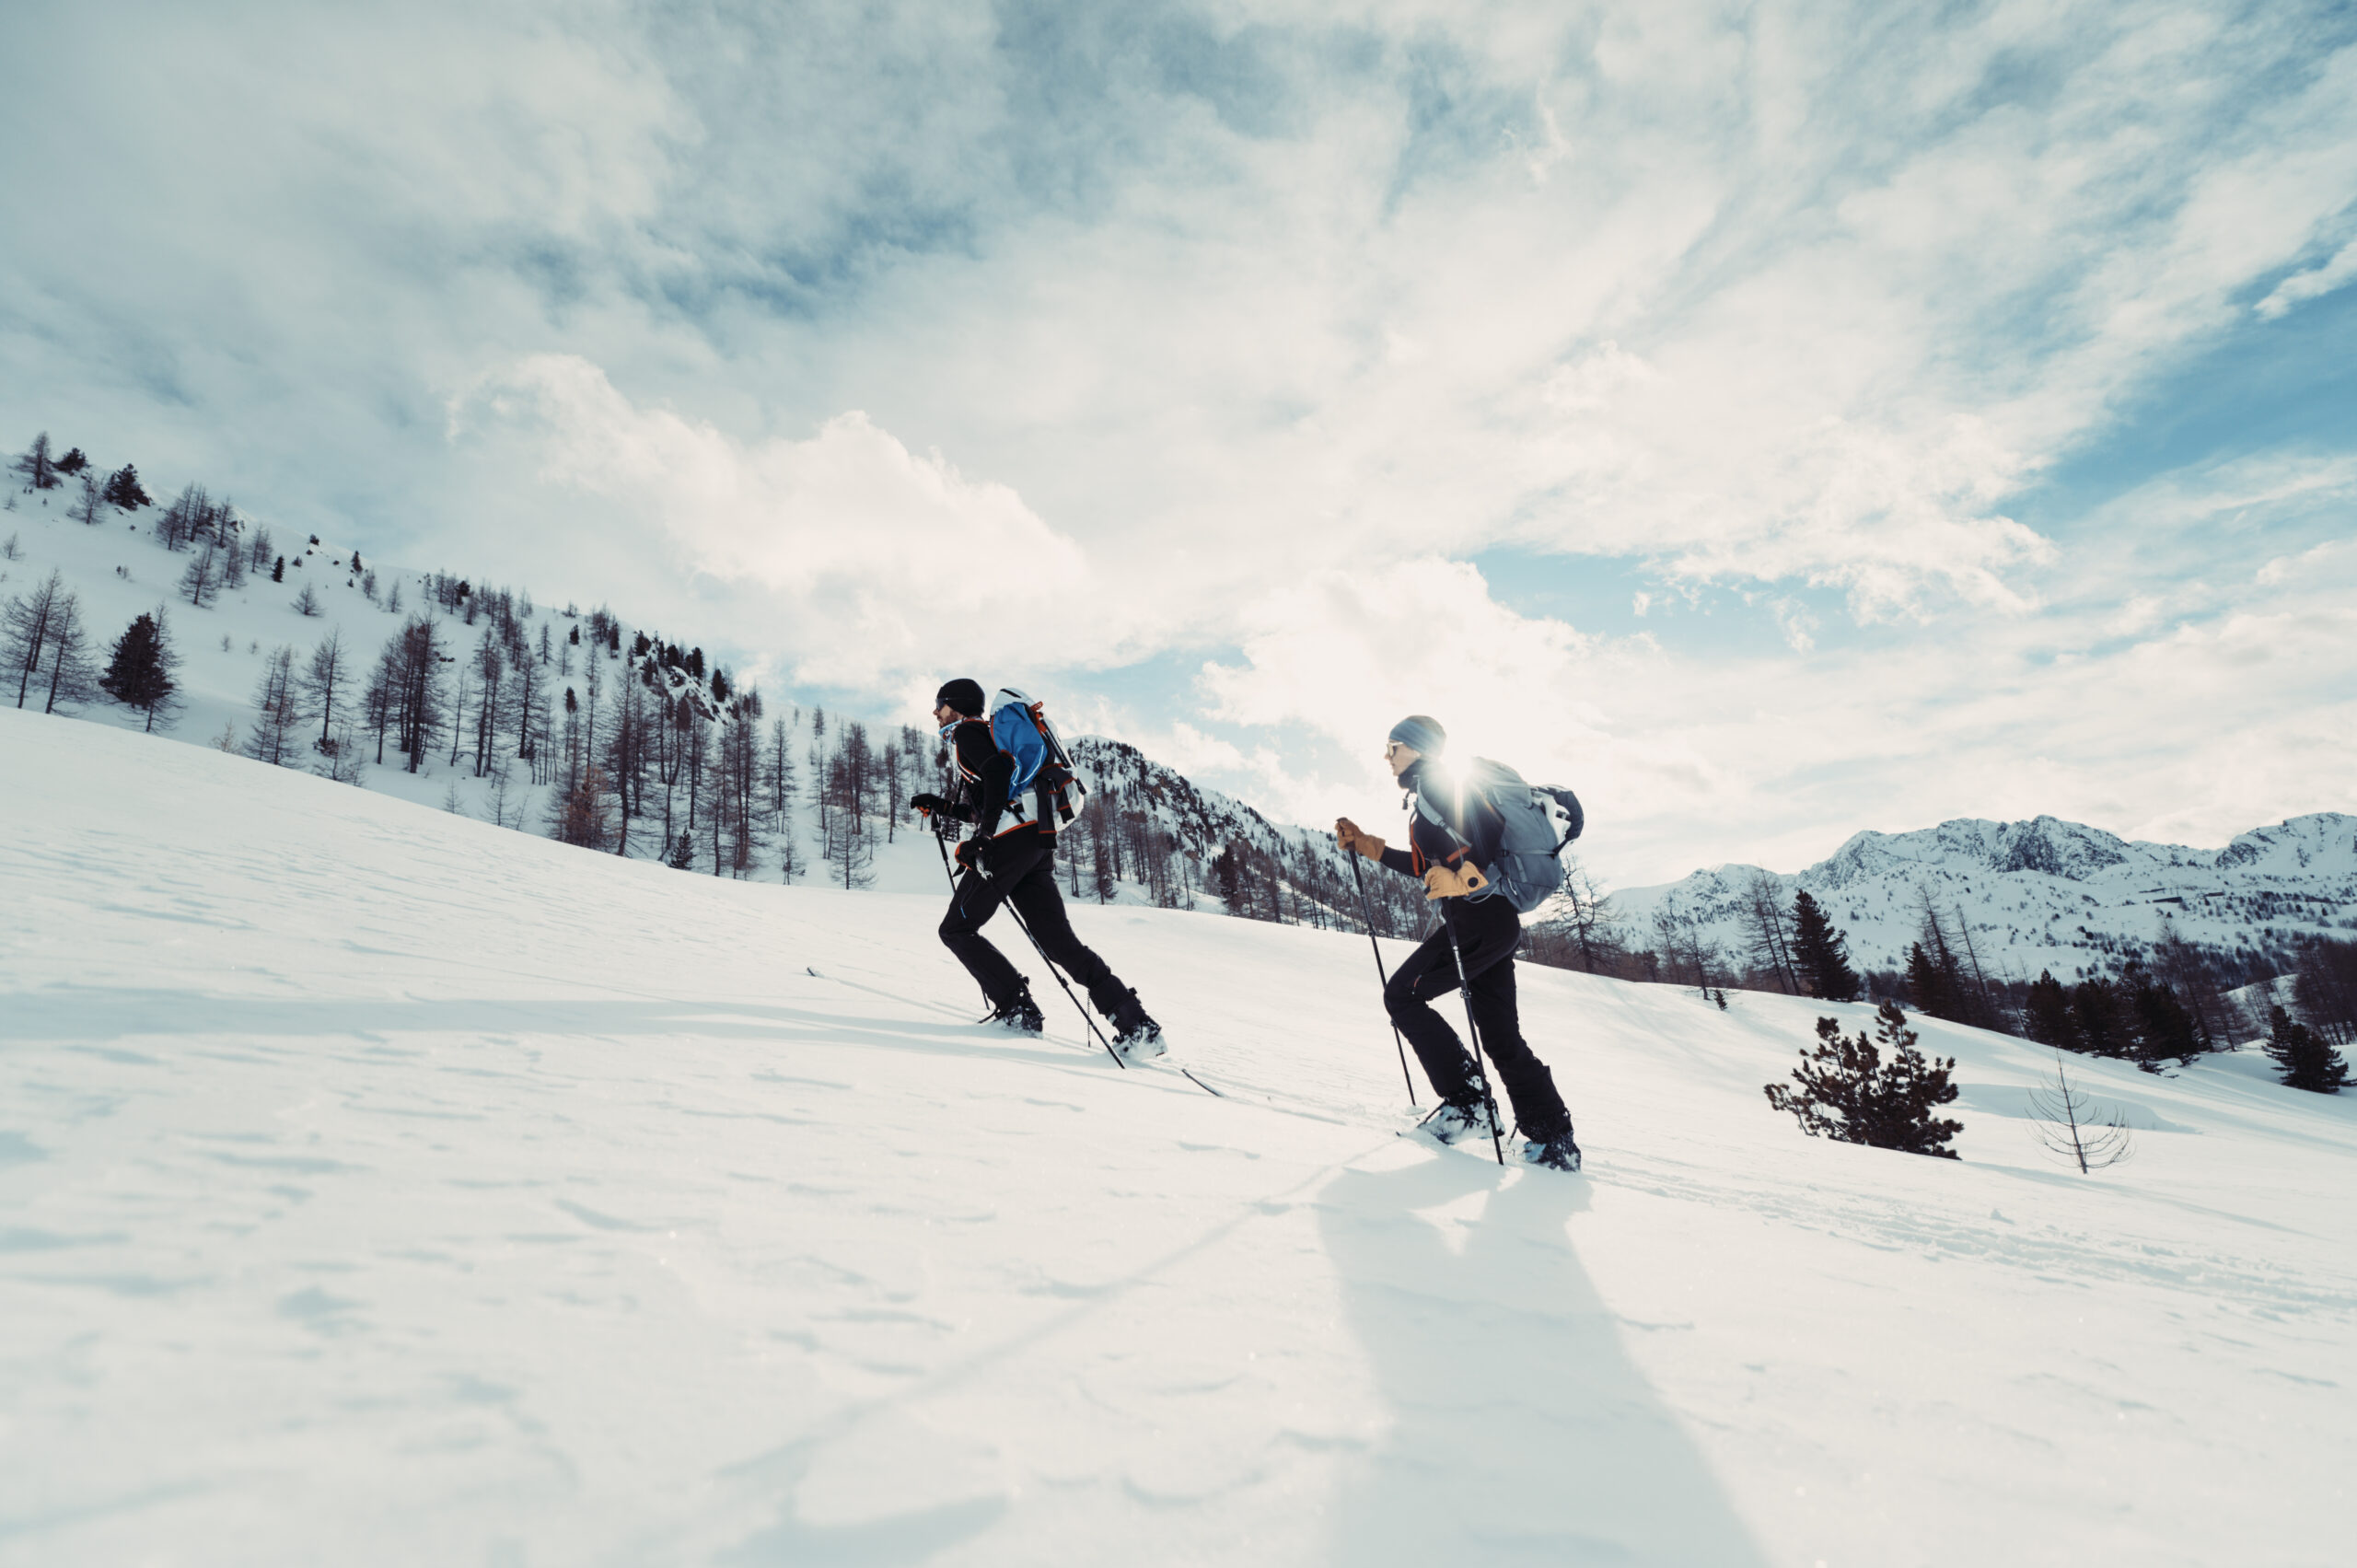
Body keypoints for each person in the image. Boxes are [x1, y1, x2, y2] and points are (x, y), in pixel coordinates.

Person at [1336, 715, 1582, 1172]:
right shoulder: (1430, 796)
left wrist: (1468, 876)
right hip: (1492, 922)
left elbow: (1484, 833)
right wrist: (1370, 847)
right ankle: (1554, 1139)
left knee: (1402, 995)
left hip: (1479, 920)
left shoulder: (1437, 785)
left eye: (1393, 747)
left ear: (1417, 748)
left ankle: (1468, 1104)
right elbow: (1429, 865)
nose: (1387, 757)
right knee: (1501, 1037)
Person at [911, 678, 1166, 1060]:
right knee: (1059, 943)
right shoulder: (983, 735)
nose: (935, 712)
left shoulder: (967, 732)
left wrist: (983, 838)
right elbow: (995, 800)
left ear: (958, 706)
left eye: (940, 705)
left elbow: (997, 774)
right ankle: (1136, 1024)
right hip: (1035, 841)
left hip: (1010, 843)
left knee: (957, 928)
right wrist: (946, 807)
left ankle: (1019, 1011)